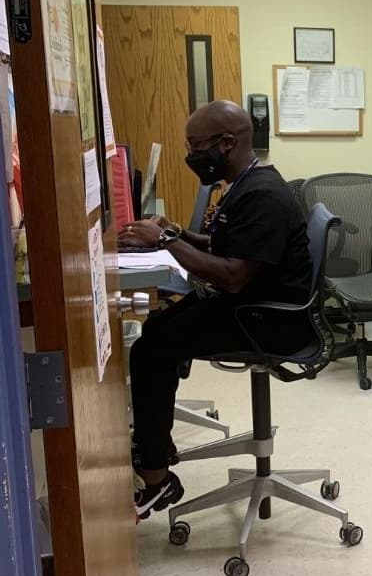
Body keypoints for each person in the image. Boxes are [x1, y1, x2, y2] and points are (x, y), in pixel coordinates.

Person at [120, 101, 312, 521]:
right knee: (158, 329)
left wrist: (167, 243)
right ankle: (154, 445)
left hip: (269, 321)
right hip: (251, 307)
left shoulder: (264, 196)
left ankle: (155, 477)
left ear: (228, 143)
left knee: (152, 350)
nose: (190, 155)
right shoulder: (245, 183)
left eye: (196, 145)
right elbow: (225, 245)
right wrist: (170, 232)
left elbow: (232, 275)